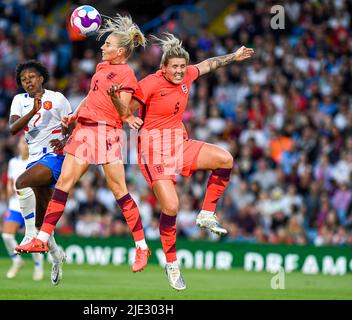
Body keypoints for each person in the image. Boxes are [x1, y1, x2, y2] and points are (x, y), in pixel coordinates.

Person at [109, 33, 254, 290]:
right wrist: (123, 115)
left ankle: (206, 214)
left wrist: (234, 55)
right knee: (172, 207)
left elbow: (210, 64)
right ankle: (172, 263)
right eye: (173, 67)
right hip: (154, 152)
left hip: (180, 143)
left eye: (181, 66)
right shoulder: (150, 84)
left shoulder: (187, 75)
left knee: (225, 159)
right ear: (163, 67)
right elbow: (125, 108)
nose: (178, 71)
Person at [16, 15, 151, 273]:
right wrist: (75, 114)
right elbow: (91, 95)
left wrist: (116, 100)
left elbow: (123, 113)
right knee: (63, 184)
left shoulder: (127, 74)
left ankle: (142, 246)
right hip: (85, 131)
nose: (102, 47)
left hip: (108, 133)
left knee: (120, 192)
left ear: (120, 51)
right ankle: (41, 239)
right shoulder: (101, 69)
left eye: (108, 45)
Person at [8, 60, 73, 285]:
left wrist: (64, 140)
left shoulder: (57, 99)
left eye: (32, 77)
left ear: (41, 78)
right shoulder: (19, 101)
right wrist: (33, 112)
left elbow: (73, 126)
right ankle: (57, 257)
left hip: (55, 157)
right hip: (35, 160)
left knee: (21, 183)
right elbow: (13, 129)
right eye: (24, 80)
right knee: (43, 223)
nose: (28, 82)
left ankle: (28, 235)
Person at [1, 135, 44, 281]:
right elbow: (10, 181)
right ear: (18, 146)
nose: (25, 146)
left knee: (33, 239)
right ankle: (17, 261)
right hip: (14, 204)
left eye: (27, 143)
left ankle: (38, 268)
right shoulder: (13, 162)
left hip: (31, 205)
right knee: (6, 235)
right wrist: (8, 190)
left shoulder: (35, 161)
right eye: (22, 143)